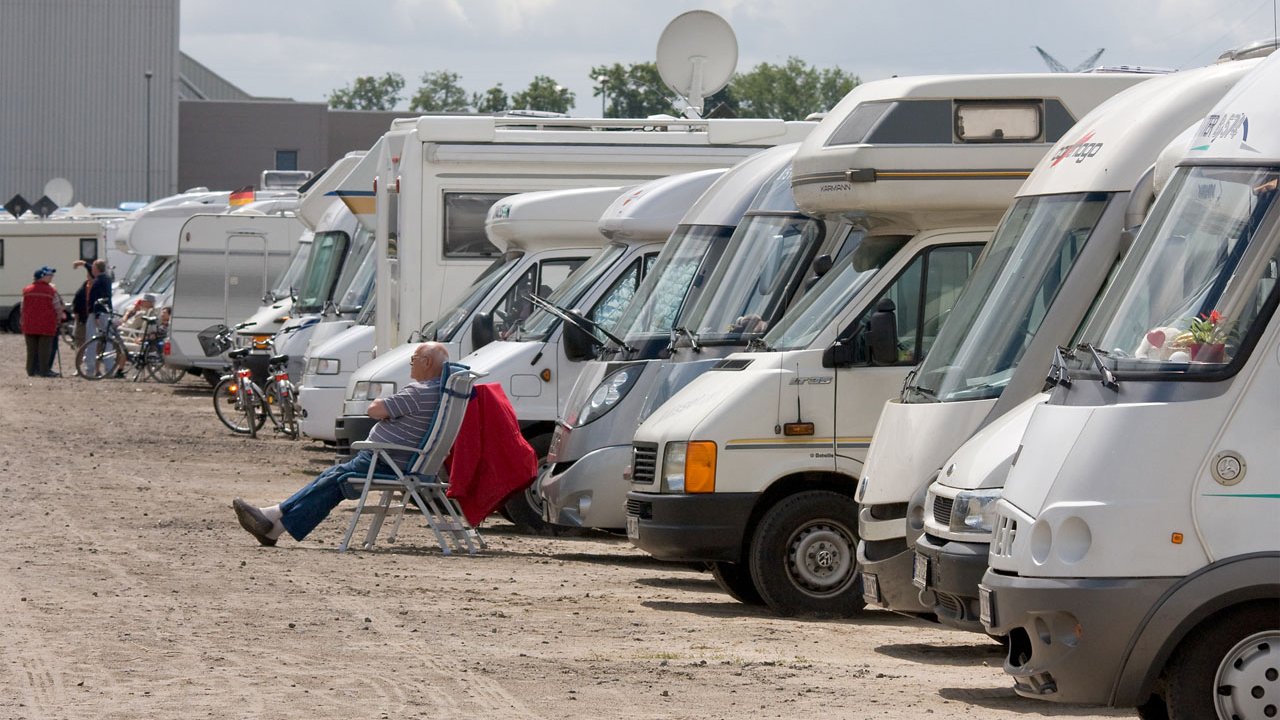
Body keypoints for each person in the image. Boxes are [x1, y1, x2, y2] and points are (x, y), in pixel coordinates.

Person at [232, 342, 450, 546]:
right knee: (335, 481)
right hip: (405, 462)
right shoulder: (442, 394)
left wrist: (384, 408)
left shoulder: (418, 392)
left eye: (413, 359)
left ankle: (273, 515)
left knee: (335, 477)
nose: (411, 364)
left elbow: (374, 410)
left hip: (386, 460)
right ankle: (273, 527)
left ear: (427, 362)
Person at [84, 259, 121, 377]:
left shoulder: (99, 281)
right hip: (105, 312)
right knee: (108, 341)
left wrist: (97, 314)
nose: (91, 270)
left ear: (96, 269)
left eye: (93, 268)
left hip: (98, 313)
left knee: (91, 341)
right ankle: (109, 369)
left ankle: (90, 369)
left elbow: (98, 299)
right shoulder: (106, 279)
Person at [21, 266, 61, 377]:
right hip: (46, 325)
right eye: (49, 275)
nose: (52, 277)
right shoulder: (51, 291)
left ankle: (30, 370)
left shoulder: (27, 290)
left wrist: (23, 320)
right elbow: (57, 308)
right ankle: (44, 371)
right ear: (42, 277)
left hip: (29, 325)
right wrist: (58, 320)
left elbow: (22, 307)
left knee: (31, 350)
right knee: (44, 350)